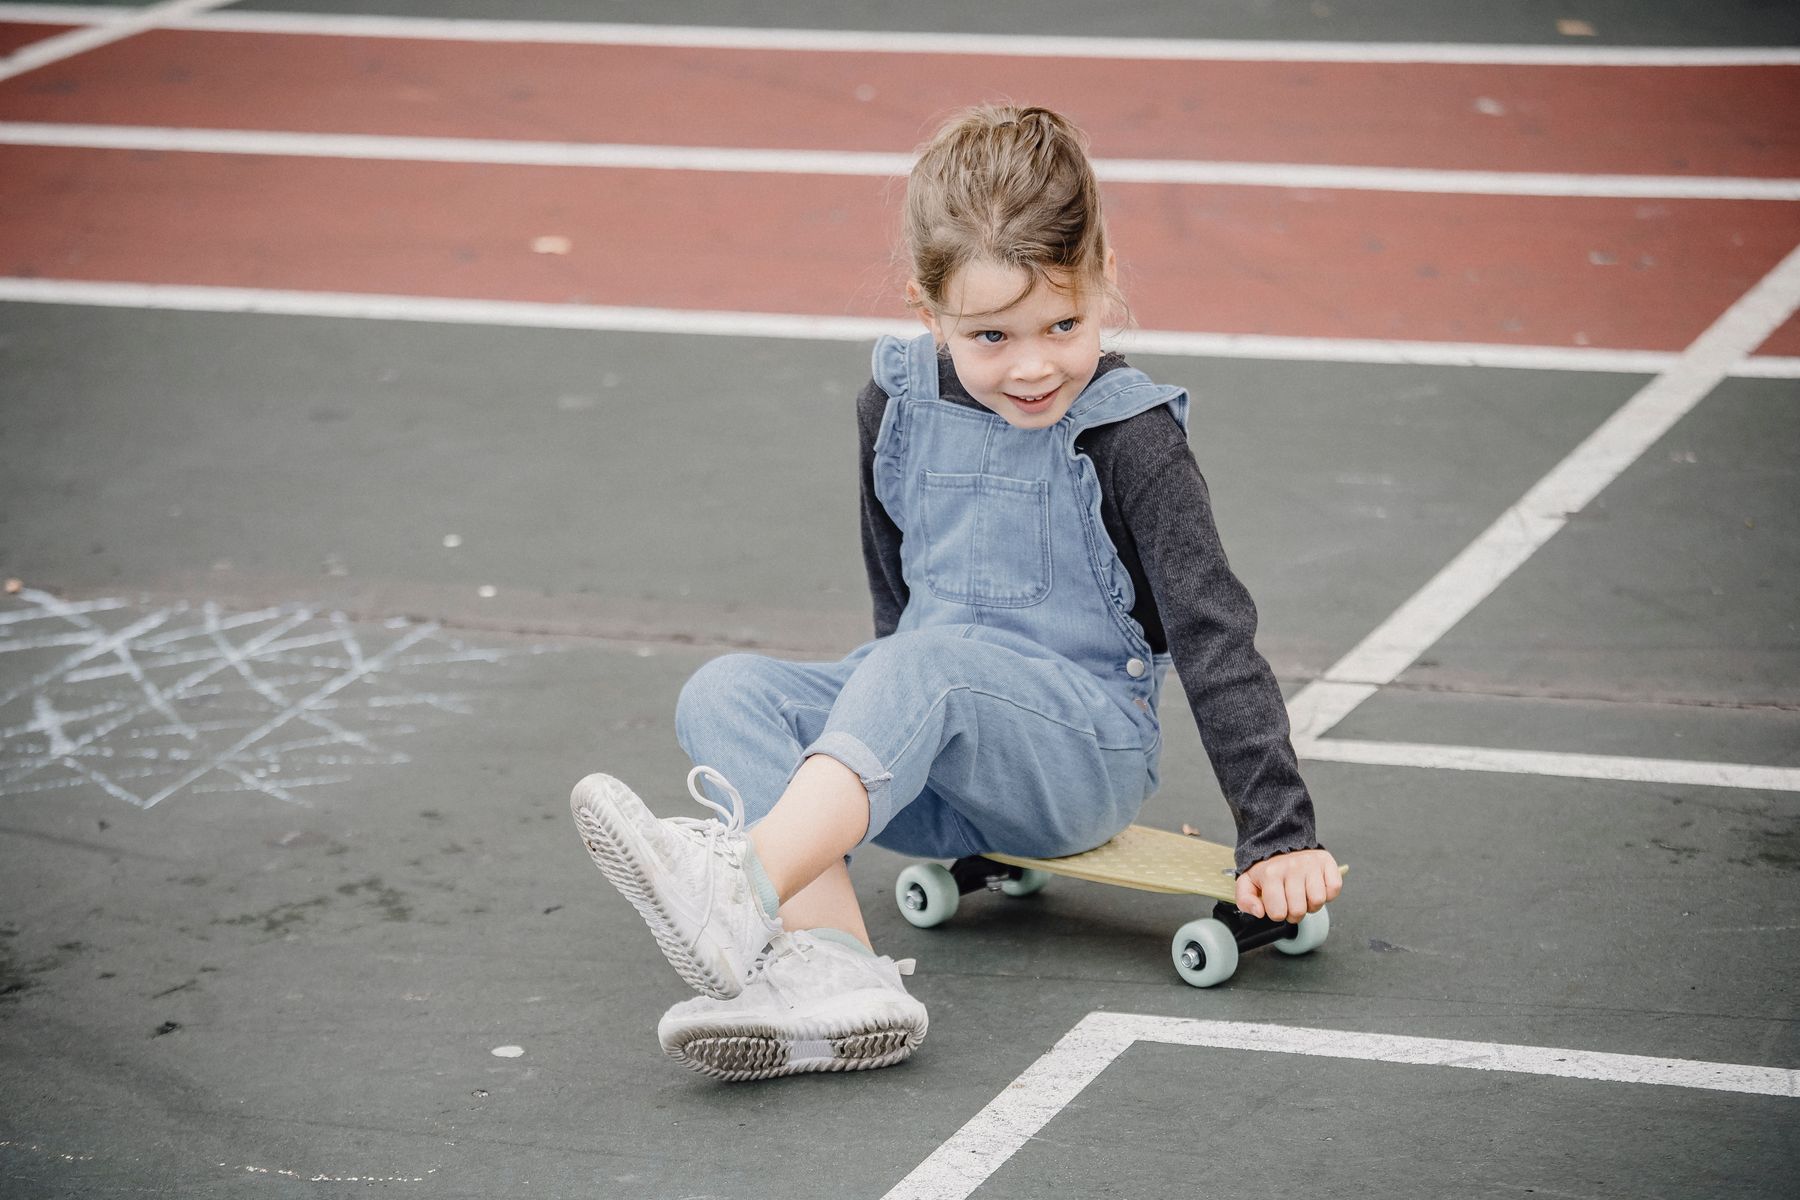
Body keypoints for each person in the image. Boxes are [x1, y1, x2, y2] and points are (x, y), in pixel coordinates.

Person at [570, 103, 1342, 1083]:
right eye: (989, 335)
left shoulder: (1130, 437)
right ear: (925, 308)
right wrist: (882, 729)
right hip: (930, 766)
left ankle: (746, 884)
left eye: (1063, 322)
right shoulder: (891, 405)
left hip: (1077, 762)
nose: (1033, 364)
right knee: (725, 690)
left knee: (917, 666)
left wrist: (1279, 834)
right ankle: (843, 977)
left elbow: (1214, 631)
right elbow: (893, 595)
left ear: (1106, 277)